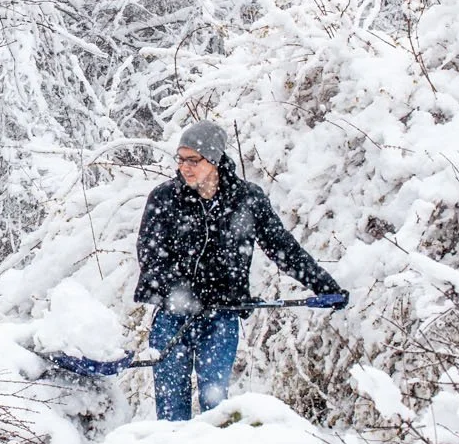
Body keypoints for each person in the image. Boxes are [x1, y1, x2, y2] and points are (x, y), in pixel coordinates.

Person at [134, 120, 346, 421]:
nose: (185, 167)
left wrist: (326, 287)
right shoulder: (165, 199)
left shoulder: (246, 200)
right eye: (180, 159)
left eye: (193, 159)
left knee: (216, 402)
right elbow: (150, 256)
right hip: (173, 317)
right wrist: (185, 291)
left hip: (221, 318)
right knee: (170, 406)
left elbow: (283, 249)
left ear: (215, 159)